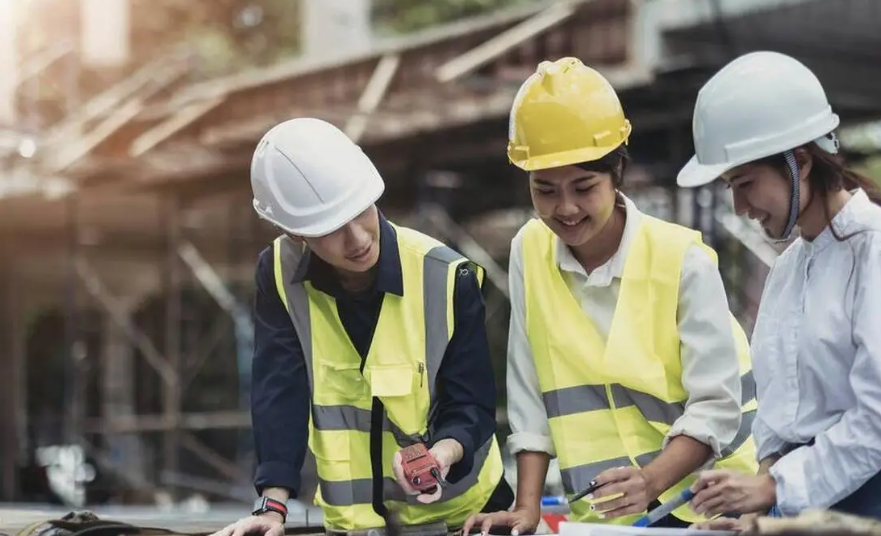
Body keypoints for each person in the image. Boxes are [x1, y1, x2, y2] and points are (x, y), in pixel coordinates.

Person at [462, 57, 759, 534]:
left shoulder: (682, 259)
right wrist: (527, 508)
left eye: (584, 187)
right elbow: (528, 390)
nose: (566, 208)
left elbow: (717, 405)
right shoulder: (528, 249)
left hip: (711, 503)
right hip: (606, 516)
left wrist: (651, 480)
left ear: (617, 170)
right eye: (545, 190)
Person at [210, 118, 512, 536]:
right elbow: (280, 393)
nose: (356, 239)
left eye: (359, 211)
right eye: (330, 229)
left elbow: (473, 403)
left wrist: (441, 453)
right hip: (354, 527)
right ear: (294, 232)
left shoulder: (445, 276)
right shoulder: (279, 275)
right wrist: (271, 507)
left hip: (461, 519)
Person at [678, 51, 881, 526]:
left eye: (745, 182)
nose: (740, 206)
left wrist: (774, 488)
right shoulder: (789, 267)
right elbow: (779, 418)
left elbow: (877, 419)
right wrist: (759, 503)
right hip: (807, 510)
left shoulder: (873, 250)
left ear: (801, 162)